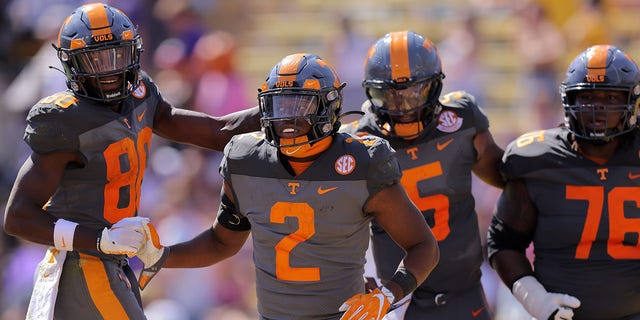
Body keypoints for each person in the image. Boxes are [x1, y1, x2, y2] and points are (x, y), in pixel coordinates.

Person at [136, 52, 440, 320]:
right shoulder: (246, 160)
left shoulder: (362, 163)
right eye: (279, 105)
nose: (288, 117)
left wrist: (389, 293)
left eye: (300, 104)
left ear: (329, 106)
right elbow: (222, 242)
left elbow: (423, 245)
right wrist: (163, 255)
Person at [2, 3, 259, 320]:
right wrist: (99, 240)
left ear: (134, 52)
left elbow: (216, 131)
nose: (108, 69)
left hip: (115, 259)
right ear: (71, 64)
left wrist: (277, 109)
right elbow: (18, 217)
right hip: (83, 261)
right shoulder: (63, 120)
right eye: (94, 59)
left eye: (116, 54)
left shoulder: (140, 95)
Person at [341, 30, 504, 319]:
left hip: (463, 295)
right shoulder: (356, 144)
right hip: (397, 300)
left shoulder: (462, 122)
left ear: (435, 86)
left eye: (415, 92)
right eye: (391, 94)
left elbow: (508, 179)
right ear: (372, 92)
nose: (404, 107)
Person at [487, 44, 640, 320]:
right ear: (569, 100)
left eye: (610, 97)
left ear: (630, 103)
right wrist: (535, 298)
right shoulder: (537, 160)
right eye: (587, 98)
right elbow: (503, 244)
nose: (598, 108)